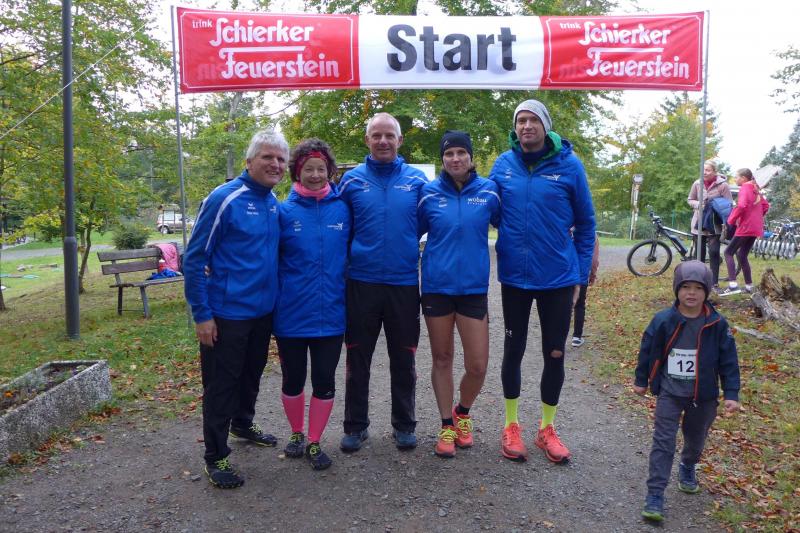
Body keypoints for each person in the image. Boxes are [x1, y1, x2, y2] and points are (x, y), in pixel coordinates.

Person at [489, 99, 596, 464]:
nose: (526, 125)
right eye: (521, 120)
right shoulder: (503, 165)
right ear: (515, 127)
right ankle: (511, 425)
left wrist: (580, 275)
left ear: (546, 126)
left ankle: (547, 428)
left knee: (555, 353)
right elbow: (487, 209)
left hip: (558, 279)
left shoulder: (570, 165)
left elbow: (587, 224)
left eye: (533, 119)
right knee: (513, 350)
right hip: (515, 278)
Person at [183, 130, 288, 489]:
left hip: (262, 312)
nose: (275, 164)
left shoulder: (272, 202)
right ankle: (216, 456)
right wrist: (202, 314)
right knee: (221, 385)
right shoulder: (224, 198)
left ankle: (242, 423)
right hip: (226, 314)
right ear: (249, 161)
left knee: (251, 375)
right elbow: (194, 259)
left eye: (281, 159)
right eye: (267, 157)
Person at [337, 112, 428, 452]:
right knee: (357, 357)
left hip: (403, 282)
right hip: (361, 282)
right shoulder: (351, 181)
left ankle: (404, 424)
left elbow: (423, 223)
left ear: (400, 140)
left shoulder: (417, 180)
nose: (383, 141)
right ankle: (355, 425)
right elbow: (340, 225)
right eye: (376, 135)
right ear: (367, 140)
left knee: (404, 357)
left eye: (389, 135)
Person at [633, 260, 740, 523]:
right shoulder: (663, 320)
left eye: (698, 288)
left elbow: (729, 361)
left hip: (703, 396)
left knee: (695, 439)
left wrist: (731, 393)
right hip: (670, 392)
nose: (691, 293)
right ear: (676, 289)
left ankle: (688, 465)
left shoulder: (717, 324)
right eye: (685, 287)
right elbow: (647, 350)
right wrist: (641, 379)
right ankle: (655, 495)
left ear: (707, 291)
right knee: (663, 442)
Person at [417, 131, 501, 458]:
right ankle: (445, 426)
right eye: (449, 153)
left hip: (473, 289)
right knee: (442, 358)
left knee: (478, 365)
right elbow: (409, 232)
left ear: (470, 156)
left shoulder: (489, 191)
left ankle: (462, 412)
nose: (455, 158)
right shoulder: (428, 193)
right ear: (442, 159)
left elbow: (512, 226)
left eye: (461, 153)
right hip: (436, 287)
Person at [273, 139, 350, 470]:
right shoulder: (282, 212)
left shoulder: (343, 209)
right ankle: (296, 433)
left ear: (329, 171)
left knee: (324, 380)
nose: (316, 175)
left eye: (321, 169)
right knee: (292, 380)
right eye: (309, 169)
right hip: (291, 314)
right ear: (297, 172)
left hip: (331, 313)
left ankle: (315, 441)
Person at [720, 168, 769, 296]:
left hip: (746, 227)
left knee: (728, 252)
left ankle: (733, 286)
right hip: (755, 228)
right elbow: (765, 206)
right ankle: (749, 286)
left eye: (736, 177)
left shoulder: (745, 188)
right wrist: (756, 217)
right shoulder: (755, 189)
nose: (735, 179)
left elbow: (741, 206)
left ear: (743, 178)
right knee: (742, 255)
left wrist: (731, 220)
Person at [688, 160, 733, 291]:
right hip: (699, 222)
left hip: (715, 223)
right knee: (699, 254)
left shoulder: (723, 185)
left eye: (707, 170)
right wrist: (698, 204)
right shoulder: (697, 183)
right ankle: (700, 282)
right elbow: (690, 199)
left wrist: (718, 207)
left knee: (713, 252)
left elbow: (729, 204)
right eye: (703, 170)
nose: (704, 172)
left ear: (714, 171)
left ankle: (714, 283)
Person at [571, 236, 600, 348]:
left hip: (564, 274)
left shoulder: (566, 230)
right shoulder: (592, 235)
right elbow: (594, 260)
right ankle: (576, 337)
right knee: (579, 305)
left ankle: (557, 338)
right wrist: (593, 274)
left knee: (562, 305)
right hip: (581, 275)